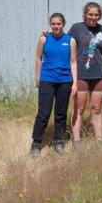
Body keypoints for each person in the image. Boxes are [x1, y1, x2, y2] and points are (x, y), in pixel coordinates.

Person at [30, 13, 77, 158]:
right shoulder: (44, 39)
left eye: (59, 24)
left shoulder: (70, 41)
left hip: (65, 81)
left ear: (63, 24)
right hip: (47, 80)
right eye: (54, 24)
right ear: (50, 24)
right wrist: (37, 77)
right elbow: (38, 59)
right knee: (43, 113)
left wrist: (74, 82)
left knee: (61, 113)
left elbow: (73, 62)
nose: (56, 26)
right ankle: (36, 143)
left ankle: (58, 141)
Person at [68, 2, 102, 145]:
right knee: (79, 108)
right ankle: (76, 140)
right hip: (80, 74)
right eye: (90, 14)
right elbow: (64, 42)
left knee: (96, 108)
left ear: (100, 16)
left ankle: (99, 140)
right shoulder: (76, 28)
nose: (93, 17)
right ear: (85, 14)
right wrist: (47, 36)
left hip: (99, 74)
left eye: (96, 15)